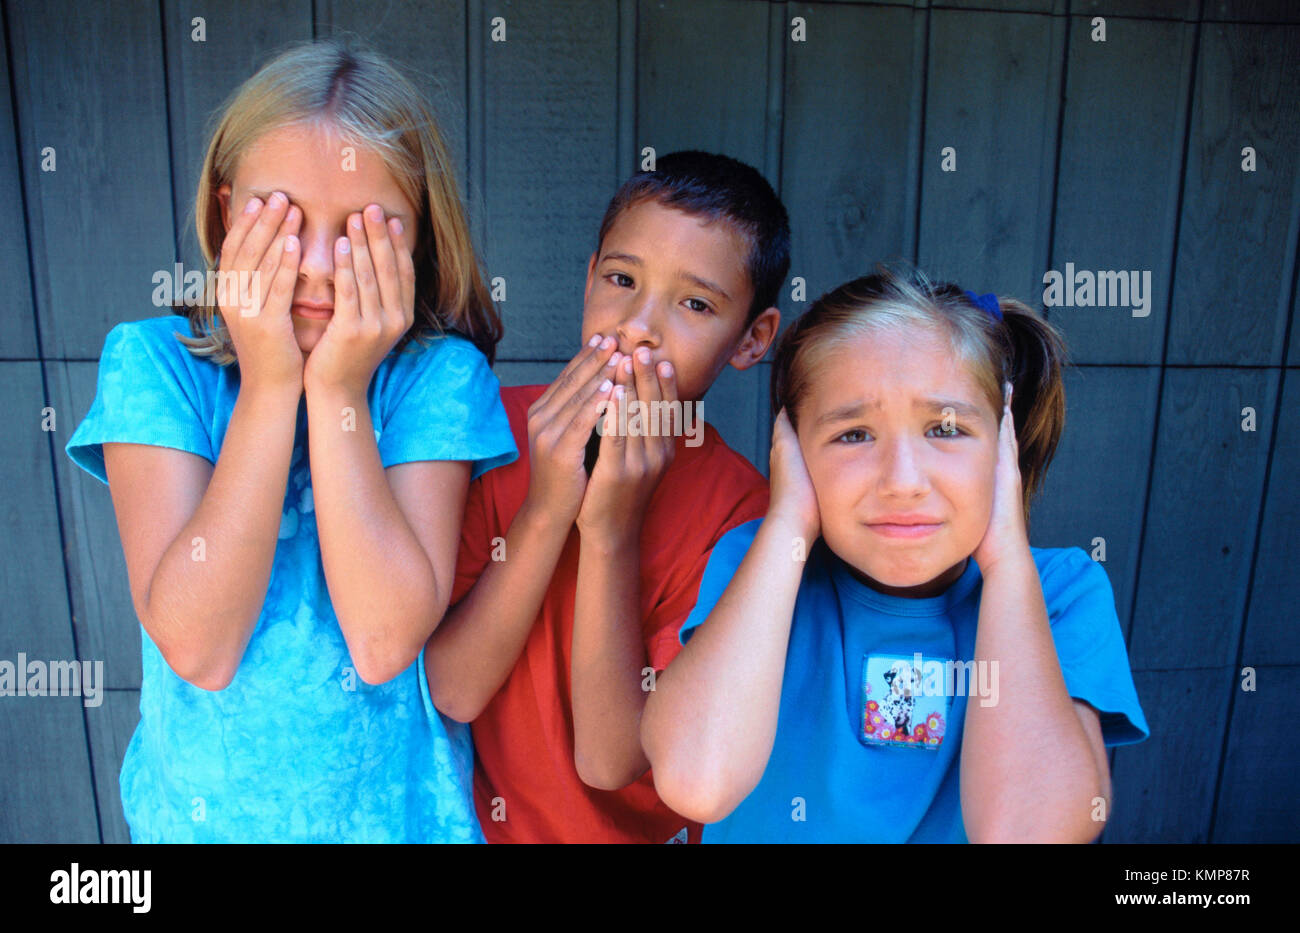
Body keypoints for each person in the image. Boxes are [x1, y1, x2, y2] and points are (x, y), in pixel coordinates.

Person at [64, 39, 515, 842]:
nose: (317, 265)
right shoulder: (153, 368)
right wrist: (273, 385)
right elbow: (199, 649)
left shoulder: (434, 382)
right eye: (281, 219)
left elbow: (382, 642)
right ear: (224, 209)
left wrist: (336, 387)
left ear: (414, 241)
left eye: (363, 231)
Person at [641, 265, 1151, 842]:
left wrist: (1007, 558)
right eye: (853, 434)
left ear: (1004, 439)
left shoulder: (1060, 591)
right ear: (795, 450)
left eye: (946, 428)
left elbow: (1028, 835)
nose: (902, 481)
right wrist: (787, 521)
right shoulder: (760, 567)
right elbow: (696, 782)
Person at [425, 151, 788, 843]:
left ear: (752, 339)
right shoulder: (493, 432)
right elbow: (452, 690)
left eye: (695, 303)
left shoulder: (742, 517)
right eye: (622, 279)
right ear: (589, 277)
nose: (639, 324)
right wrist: (546, 507)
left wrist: (610, 530)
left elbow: (609, 757)